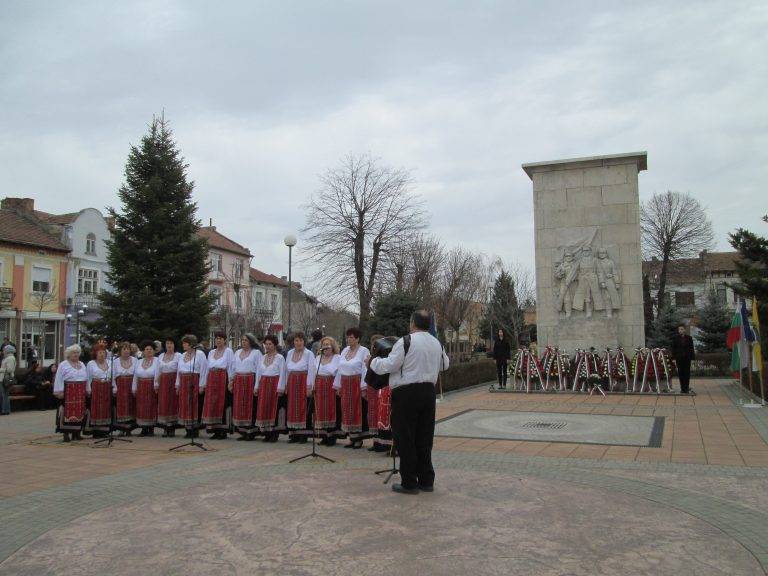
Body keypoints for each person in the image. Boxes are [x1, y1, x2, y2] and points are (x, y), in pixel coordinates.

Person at [370, 310, 450, 495]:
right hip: (428, 392)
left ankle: (409, 482)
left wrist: (373, 362)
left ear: (413, 323)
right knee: (424, 437)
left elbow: (390, 365)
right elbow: (445, 365)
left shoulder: (406, 341)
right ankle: (426, 480)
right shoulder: (436, 342)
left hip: (406, 393)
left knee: (405, 438)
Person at [335, 327, 370, 449]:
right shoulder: (344, 350)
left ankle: (359, 439)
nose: (349, 339)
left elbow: (365, 369)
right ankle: (351, 437)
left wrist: (364, 386)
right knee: (346, 410)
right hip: (345, 384)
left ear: (357, 339)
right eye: (348, 337)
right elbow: (340, 368)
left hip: (356, 383)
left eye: (351, 337)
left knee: (357, 410)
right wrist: (338, 385)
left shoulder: (364, 351)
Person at [53, 344, 89, 442]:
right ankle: (66, 433)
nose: (75, 354)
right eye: (73, 353)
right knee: (67, 413)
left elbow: (86, 378)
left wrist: (87, 389)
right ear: (69, 354)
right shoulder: (63, 364)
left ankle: (76, 433)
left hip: (80, 392)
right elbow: (59, 378)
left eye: (77, 352)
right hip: (68, 391)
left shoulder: (82, 364)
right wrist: (59, 391)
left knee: (80, 412)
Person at [285, 332, 316, 444]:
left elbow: (311, 370)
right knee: (292, 408)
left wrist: (309, 386)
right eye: (296, 340)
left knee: (303, 408)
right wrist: (285, 385)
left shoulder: (309, 354)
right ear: (293, 342)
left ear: (304, 342)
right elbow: (286, 370)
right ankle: (293, 434)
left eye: (301, 340)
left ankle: (304, 435)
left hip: (303, 382)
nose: (298, 343)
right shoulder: (289, 353)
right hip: (292, 382)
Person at [230, 333, 262, 441]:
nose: (243, 342)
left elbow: (259, 369)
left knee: (250, 405)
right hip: (239, 381)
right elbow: (233, 367)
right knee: (239, 406)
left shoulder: (256, 353)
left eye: (246, 340)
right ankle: (242, 432)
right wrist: (231, 381)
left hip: (250, 380)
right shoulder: (237, 352)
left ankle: (251, 432)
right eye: (242, 340)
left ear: (251, 342)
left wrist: (257, 385)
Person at [255, 334, 286, 442]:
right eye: (266, 344)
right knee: (264, 408)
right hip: (264, 384)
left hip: (274, 384)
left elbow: (282, 373)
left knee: (273, 408)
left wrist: (280, 388)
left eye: (270, 344)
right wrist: (256, 386)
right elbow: (258, 373)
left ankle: (274, 433)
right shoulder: (262, 357)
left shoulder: (280, 358)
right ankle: (266, 433)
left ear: (275, 345)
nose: (267, 346)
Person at [202, 332, 233, 440]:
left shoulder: (228, 351)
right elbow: (207, 368)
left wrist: (231, 381)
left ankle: (223, 431)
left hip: (222, 379)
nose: (218, 340)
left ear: (225, 340)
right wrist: (204, 383)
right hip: (211, 379)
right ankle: (214, 430)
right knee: (212, 404)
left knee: (222, 404)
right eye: (217, 338)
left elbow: (231, 367)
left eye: (220, 338)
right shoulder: (211, 352)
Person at [176, 334, 208, 439]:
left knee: (193, 405)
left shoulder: (200, 354)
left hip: (194, 381)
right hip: (184, 382)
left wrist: (202, 385)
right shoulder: (182, 355)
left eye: (185, 343)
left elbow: (204, 370)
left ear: (190, 344)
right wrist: (177, 384)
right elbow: (179, 371)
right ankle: (187, 429)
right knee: (185, 405)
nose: (183, 345)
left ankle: (195, 430)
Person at [313, 336, 341, 446]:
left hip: (331, 385)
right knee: (320, 410)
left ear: (332, 346)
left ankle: (332, 436)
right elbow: (314, 372)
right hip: (319, 386)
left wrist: (338, 386)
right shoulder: (318, 358)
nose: (326, 347)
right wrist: (313, 385)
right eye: (324, 345)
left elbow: (337, 372)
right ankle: (324, 436)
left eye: (328, 345)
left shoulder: (337, 358)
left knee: (331, 410)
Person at [133, 340, 160, 436]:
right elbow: (135, 375)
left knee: (151, 406)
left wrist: (156, 385)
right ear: (143, 351)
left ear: (154, 351)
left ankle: (151, 428)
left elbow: (158, 374)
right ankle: (143, 428)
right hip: (141, 386)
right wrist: (134, 388)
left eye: (150, 349)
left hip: (151, 386)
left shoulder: (157, 360)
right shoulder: (139, 361)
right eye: (146, 349)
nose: (149, 351)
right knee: (141, 406)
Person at [86, 344, 112, 437]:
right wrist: (88, 389)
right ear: (95, 354)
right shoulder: (91, 363)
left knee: (106, 408)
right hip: (96, 387)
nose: (102, 354)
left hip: (107, 388)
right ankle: (96, 431)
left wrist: (114, 387)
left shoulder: (110, 362)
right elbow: (88, 377)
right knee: (96, 408)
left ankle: (105, 431)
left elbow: (113, 376)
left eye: (103, 352)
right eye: (99, 352)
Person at [157, 337, 181, 437]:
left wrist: (178, 384)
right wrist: (156, 383)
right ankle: (165, 427)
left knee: (173, 403)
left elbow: (179, 370)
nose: (169, 345)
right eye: (167, 343)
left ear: (174, 345)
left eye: (171, 343)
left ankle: (172, 428)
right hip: (163, 382)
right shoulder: (161, 356)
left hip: (173, 380)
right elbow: (158, 370)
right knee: (164, 403)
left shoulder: (178, 356)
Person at [113, 342, 137, 436]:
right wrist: (115, 387)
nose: (126, 351)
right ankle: (122, 429)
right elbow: (113, 376)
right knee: (122, 406)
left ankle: (129, 429)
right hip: (121, 385)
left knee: (131, 405)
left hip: (131, 384)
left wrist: (135, 387)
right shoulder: (115, 361)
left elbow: (137, 374)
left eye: (128, 349)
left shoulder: (135, 360)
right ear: (120, 351)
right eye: (124, 349)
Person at [671, 324, 695, 394]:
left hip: (687, 358)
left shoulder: (689, 338)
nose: (680, 331)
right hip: (679, 358)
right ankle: (682, 388)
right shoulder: (675, 338)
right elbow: (673, 349)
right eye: (679, 329)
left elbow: (691, 348)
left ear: (684, 330)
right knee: (680, 373)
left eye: (682, 329)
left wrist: (692, 358)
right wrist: (673, 358)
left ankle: (686, 388)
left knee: (687, 373)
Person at [0, 345, 17, 415]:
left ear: (8, 350)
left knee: (3, 395)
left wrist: (0, 369)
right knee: (5, 395)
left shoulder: (10, 358)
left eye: (4, 350)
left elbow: (9, 369)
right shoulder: (8, 358)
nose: (3, 351)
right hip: (4, 378)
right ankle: (6, 410)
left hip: (5, 379)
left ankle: (4, 410)